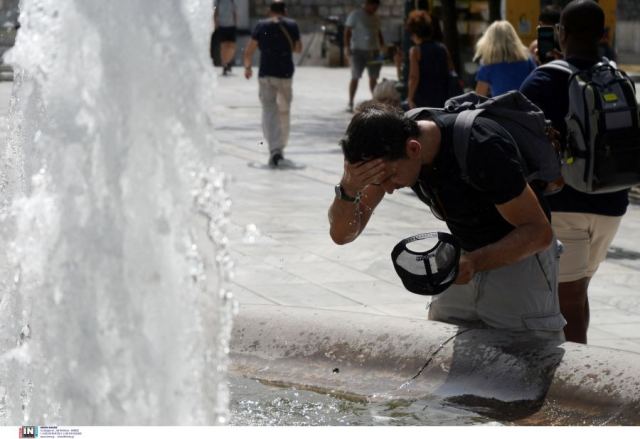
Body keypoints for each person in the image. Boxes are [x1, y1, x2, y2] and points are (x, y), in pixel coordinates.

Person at [328, 102, 566, 340]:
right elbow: (342, 234)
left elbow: (538, 232)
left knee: (528, 361)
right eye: (379, 182)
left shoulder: (481, 146)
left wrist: (474, 262)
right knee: (442, 356)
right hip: (464, 257)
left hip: (520, 258)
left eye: (390, 177)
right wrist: (349, 188)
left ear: (413, 148)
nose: (388, 189)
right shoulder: (390, 153)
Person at [520, 0, 628, 344]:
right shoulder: (617, 78)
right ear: (604, 34)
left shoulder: (542, 80)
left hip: (564, 202)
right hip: (612, 203)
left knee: (568, 300)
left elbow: (517, 142)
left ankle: (574, 385)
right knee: (578, 293)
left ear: (560, 34)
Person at [243, 0, 302, 169]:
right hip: (285, 75)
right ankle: (280, 149)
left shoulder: (261, 25)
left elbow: (249, 51)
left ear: (270, 11)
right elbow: (298, 48)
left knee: (269, 110)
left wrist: (248, 67)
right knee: (284, 111)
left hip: (266, 74)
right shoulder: (292, 25)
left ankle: (274, 149)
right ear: (285, 11)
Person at [474, 20, 536, 97]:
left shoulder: (488, 64)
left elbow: (479, 96)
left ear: (490, 41)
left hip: (500, 107)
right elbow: (536, 85)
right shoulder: (528, 60)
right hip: (525, 107)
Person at [344, 0, 385, 113]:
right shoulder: (356, 15)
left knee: (373, 78)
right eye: (373, 7)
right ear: (367, 4)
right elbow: (347, 31)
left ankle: (376, 102)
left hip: (374, 51)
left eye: (376, 8)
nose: (374, 10)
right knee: (355, 76)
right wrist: (347, 47)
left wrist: (382, 46)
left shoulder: (376, 17)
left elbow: (378, 32)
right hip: (358, 51)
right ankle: (350, 102)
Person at [405, 10, 451, 109]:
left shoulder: (415, 51)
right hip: (442, 96)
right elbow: (451, 70)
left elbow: (414, 77)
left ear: (414, 33)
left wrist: (409, 98)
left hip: (423, 97)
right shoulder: (442, 48)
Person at [214, 0, 238, 76]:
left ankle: (228, 61)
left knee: (232, 46)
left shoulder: (232, 1)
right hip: (222, 26)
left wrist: (236, 23)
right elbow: (215, 12)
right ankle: (225, 64)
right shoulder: (218, 1)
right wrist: (216, 24)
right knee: (224, 46)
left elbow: (235, 12)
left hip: (231, 26)